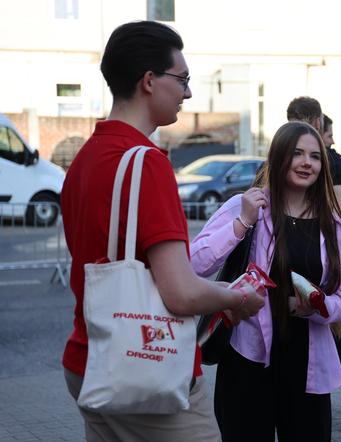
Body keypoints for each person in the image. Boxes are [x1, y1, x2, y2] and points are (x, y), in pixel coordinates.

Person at [60, 21, 263, 441]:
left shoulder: (84, 159)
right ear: (149, 81)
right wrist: (236, 298)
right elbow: (181, 292)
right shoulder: (147, 164)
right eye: (182, 79)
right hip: (149, 367)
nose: (187, 93)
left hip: (90, 360)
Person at [190, 121, 341, 442]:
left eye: (315, 156)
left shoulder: (332, 226)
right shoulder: (246, 206)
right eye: (297, 154)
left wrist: (317, 307)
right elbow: (196, 263)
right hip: (247, 360)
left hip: (307, 366)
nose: (308, 162)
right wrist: (242, 223)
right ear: (278, 158)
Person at [287, 98, 341, 435]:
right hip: (322, 263)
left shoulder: (319, 159)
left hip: (311, 263)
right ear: (314, 121)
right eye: (328, 130)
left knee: (338, 325)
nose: (331, 141)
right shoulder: (331, 160)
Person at [322, 114, 341, 221]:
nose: (332, 142)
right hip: (325, 232)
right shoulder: (336, 161)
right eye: (329, 136)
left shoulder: (282, 159)